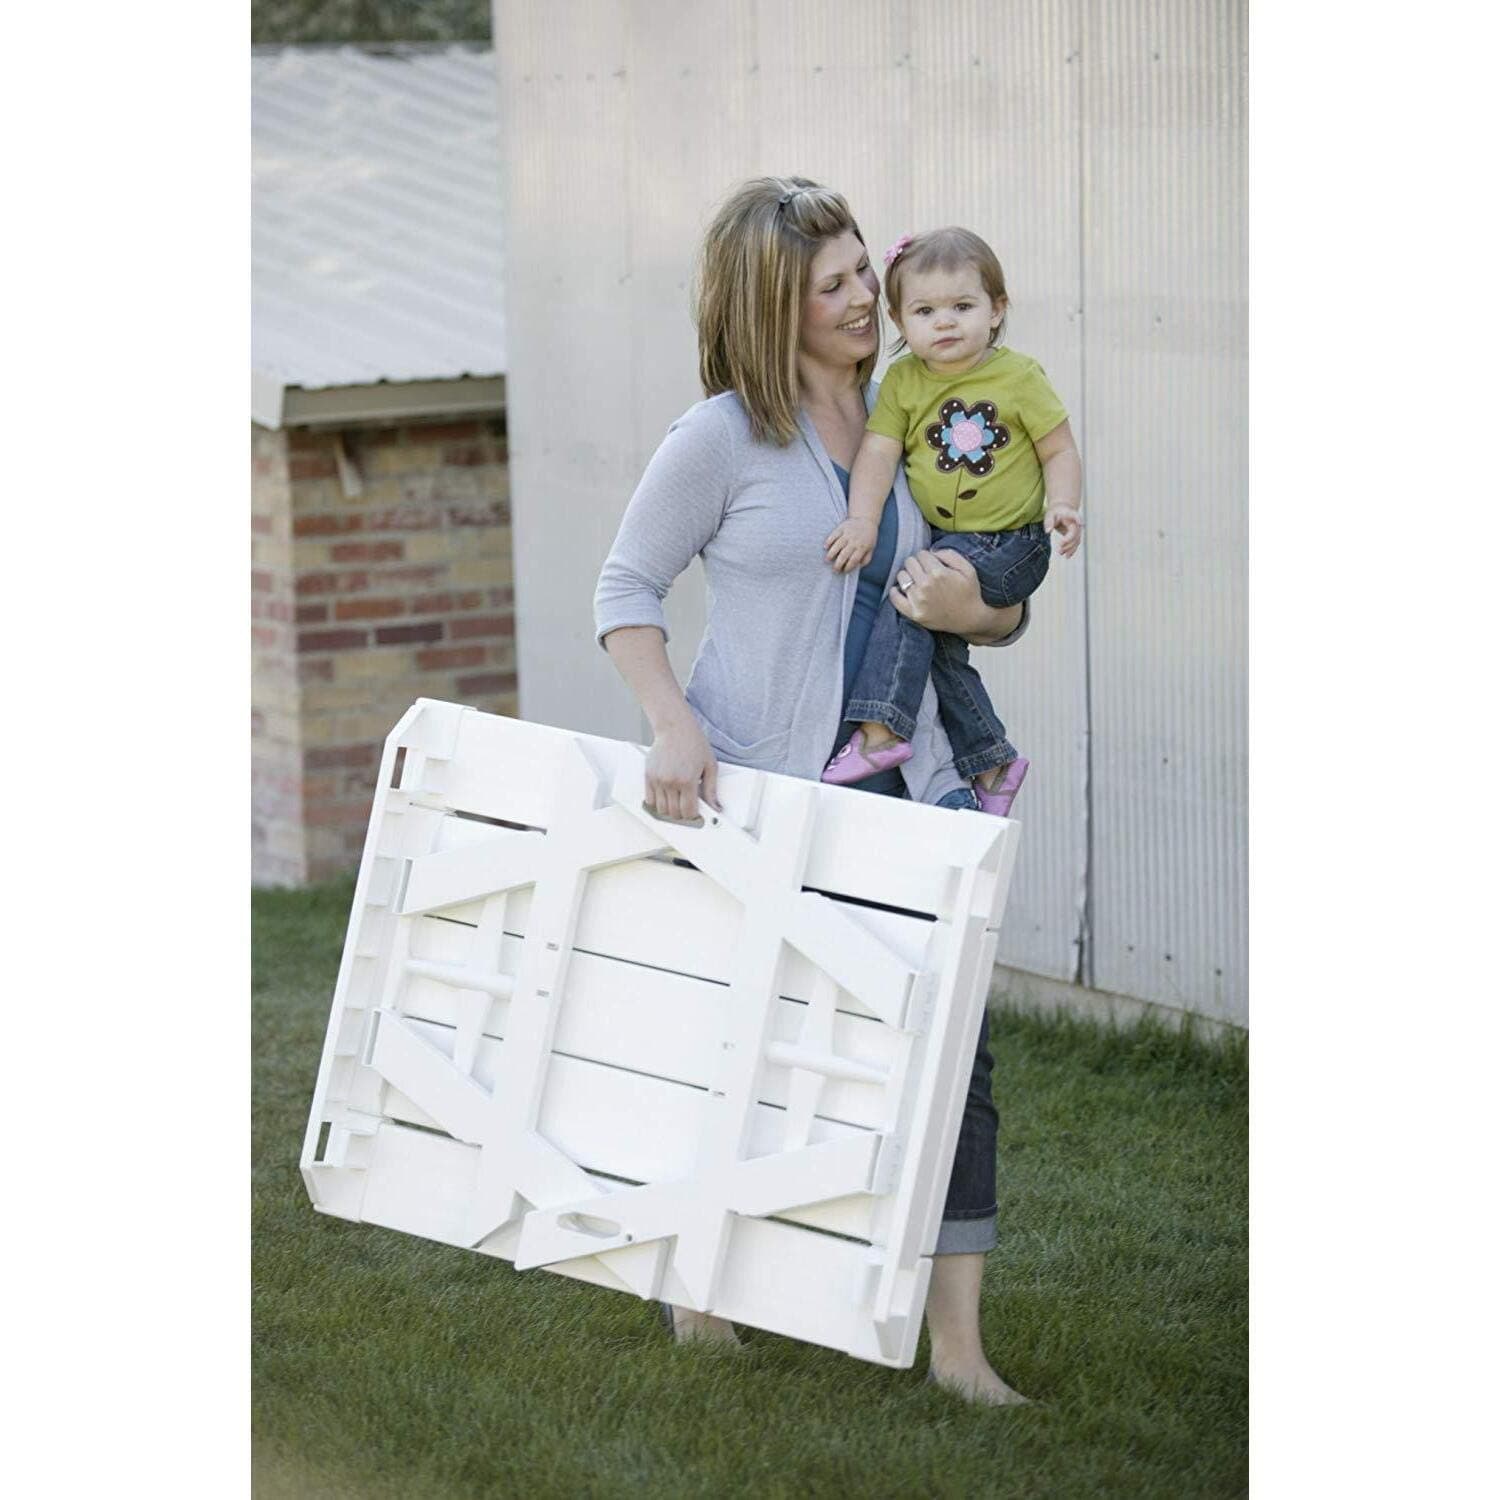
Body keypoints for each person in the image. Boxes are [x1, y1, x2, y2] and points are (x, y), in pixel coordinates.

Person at [593, 176, 1031, 1407]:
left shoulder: (929, 409)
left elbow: (996, 591)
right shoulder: (723, 437)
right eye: (831, 284)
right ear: (770, 305)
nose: (862, 301)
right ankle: (706, 1291)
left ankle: (956, 1354)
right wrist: (673, 726)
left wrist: (983, 607)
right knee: (759, 1047)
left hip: (914, 794)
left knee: (957, 1058)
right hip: (767, 793)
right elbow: (625, 591)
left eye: (857, 272)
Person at [823, 227, 1084, 814]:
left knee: (910, 593)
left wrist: (1063, 505)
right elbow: (878, 453)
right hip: (954, 540)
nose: (944, 323)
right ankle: (992, 762)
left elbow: (1059, 449)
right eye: (925, 310)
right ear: (897, 318)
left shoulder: (1018, 377)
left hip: (1013, 542)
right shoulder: (904, 384)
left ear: (997, 310)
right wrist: (863, 520)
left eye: (962, 307)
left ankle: (882, 731)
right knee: (937, 647)